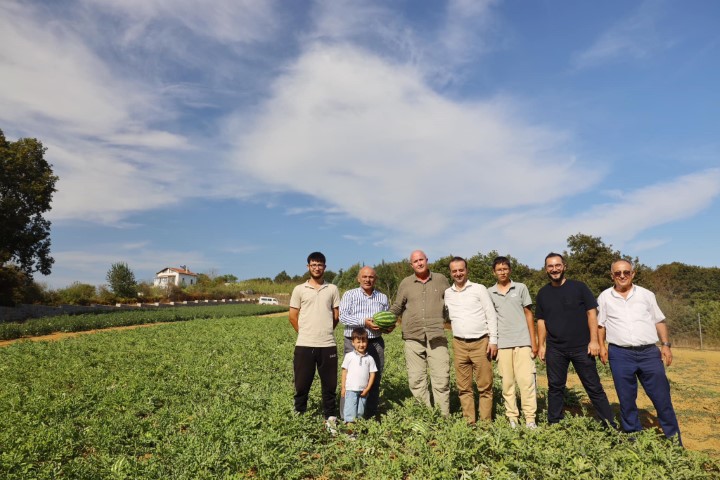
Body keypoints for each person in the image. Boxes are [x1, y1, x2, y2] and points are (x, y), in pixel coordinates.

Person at [597, 259, 682, 444]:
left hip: (649, 354)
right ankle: (633, 440)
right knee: (626, 401)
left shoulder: (646, 295)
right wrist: (602, 346)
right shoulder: (604, 297)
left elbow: (659, 320)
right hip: (620, 355)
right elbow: (600, 325)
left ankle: (674, 441)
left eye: (626, 272)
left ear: (633, 274)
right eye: (617, 273)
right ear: (612, 275)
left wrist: (666, 345)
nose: (622, 276)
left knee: (662, 399)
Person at [536, 252, 616, 427]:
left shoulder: (579, 287)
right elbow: (541, 321)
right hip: (555, 348)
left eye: (557, 265)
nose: (554, 269)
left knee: (594, 388)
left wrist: (594, 341)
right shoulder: (543, 293)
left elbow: (591, 313)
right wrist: (541, 345)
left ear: (564, 266)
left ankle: (609, 425)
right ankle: (554, 423)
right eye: (550, 266)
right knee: (555, 388)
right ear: (546, 269)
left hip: (582, 347)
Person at [390, 250, 451, 416]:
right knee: (417, 380)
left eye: (421, 260)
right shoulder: (406, 283)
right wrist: (384, 321)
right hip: (413, 336)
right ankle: (426, 416)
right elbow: (397, 306)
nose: (419, 263)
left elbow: (452, 301)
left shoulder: (441, 279)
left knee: (441, 379)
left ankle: (443, 418)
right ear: (411, 264)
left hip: (437, 335)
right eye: (415, 261)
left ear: (427, 260)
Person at [289, 252, 340, 433]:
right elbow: (293, 316)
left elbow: (336, 316)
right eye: (313, 264)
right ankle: (299, 415)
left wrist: (324, 331)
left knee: (330, 385)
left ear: (325, 267)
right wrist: (305, 333)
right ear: (308, 267)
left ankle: (330, 419)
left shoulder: (332, 289)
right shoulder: (299, 289)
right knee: (302, 384)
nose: (317, 267)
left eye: (320, 264)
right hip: (304, 344)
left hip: (327, 344)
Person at [444, 256, 498, 424]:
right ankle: (470, 423)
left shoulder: (479, 289)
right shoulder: (447, 293)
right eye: (455, 271)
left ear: (466, 270)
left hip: (481, 342)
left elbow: (491, 314)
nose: (458, 273)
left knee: (485, 386)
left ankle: (485, 424)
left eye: (461, 270)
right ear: (451, 273)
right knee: (463, 387)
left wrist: (493, 340)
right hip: (459, 343)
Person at [488, 256, 538, 429]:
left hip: (523, 342)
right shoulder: (489, 292)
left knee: (526, 382)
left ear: (510, 270)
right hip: (502, 344)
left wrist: (534, 341)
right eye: (499, 269)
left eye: (505, 268)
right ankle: (512, 418)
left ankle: (530, 418)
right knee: (507, 383)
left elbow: (528, 314)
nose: (502, 272)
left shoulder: (521, 288)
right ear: (494, 272)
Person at [339, 266, 392, 419]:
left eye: (371, 277)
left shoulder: (382, 297)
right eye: (364, 277)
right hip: (353, 342)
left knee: (374, 377)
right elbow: (343, 317)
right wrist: (364, 322)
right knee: (351, 380)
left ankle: (369, 415)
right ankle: (347, 417)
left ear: (375, 279)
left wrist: (388, 327)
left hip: (375, 342)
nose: (368, 279)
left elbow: (386, 317)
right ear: (358, 278)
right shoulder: (350, 295)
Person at [341, 327, 378, 423]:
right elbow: (344, 372)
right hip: (351, 390)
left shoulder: (370, 359)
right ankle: (349, 432)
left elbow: (372, 374)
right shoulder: (349, 356)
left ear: (367, 342)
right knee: (350, 412)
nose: (361, 345)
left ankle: (358, 430)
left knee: (360, 413)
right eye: (358, 342)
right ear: (353, 342)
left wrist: (367, 389)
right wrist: (343, 388)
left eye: (364, 342)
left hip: (363, 391)